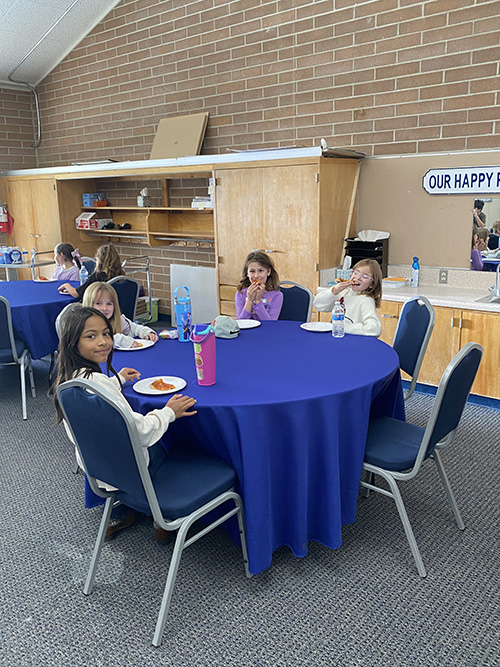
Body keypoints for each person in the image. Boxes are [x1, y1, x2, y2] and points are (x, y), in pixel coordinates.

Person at [53, 306, 197, 540]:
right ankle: (160, 512)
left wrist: (117, 380)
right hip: (133, 471)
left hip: (102, 470)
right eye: (91, 336)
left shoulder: (70, 380)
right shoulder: (98, 383)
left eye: (106, 334)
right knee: (170, 441)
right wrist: (168, 412)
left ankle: (129, 505)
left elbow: (100, 400)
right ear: (72, 342)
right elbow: (140, 432)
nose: (103, 342)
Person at [313, 258, 383, 336]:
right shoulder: (345, 292)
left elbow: (375, 329)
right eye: (356, 273)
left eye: (365, 276)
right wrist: (334, 291)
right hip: (338, 337)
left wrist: (343, 327)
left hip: (352, 341)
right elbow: (319, 305)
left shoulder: (366, 300)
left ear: (372, 284)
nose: (358, 278)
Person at [82, 281, 158, 348]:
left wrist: (147, 332)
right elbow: (92, 343)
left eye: (109, 304)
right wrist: (119, 340)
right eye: (98, 303)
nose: (104, 308)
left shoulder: (118, 320)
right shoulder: (83, 324)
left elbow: (134, 329)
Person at [58, 242, 124, 299]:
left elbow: (77, 294)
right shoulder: (121, 276)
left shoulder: (97, 276)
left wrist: (66, 285)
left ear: (99, 260)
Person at [235, 251, 283, 320]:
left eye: (260, 271)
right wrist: (249, 300)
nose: (256, 276)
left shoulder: (277, 295)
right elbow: (241, 322)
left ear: (268, 272)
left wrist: (258, 300)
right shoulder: (240, 294)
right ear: (247, 273)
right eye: (252, 271)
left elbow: (270, 324)